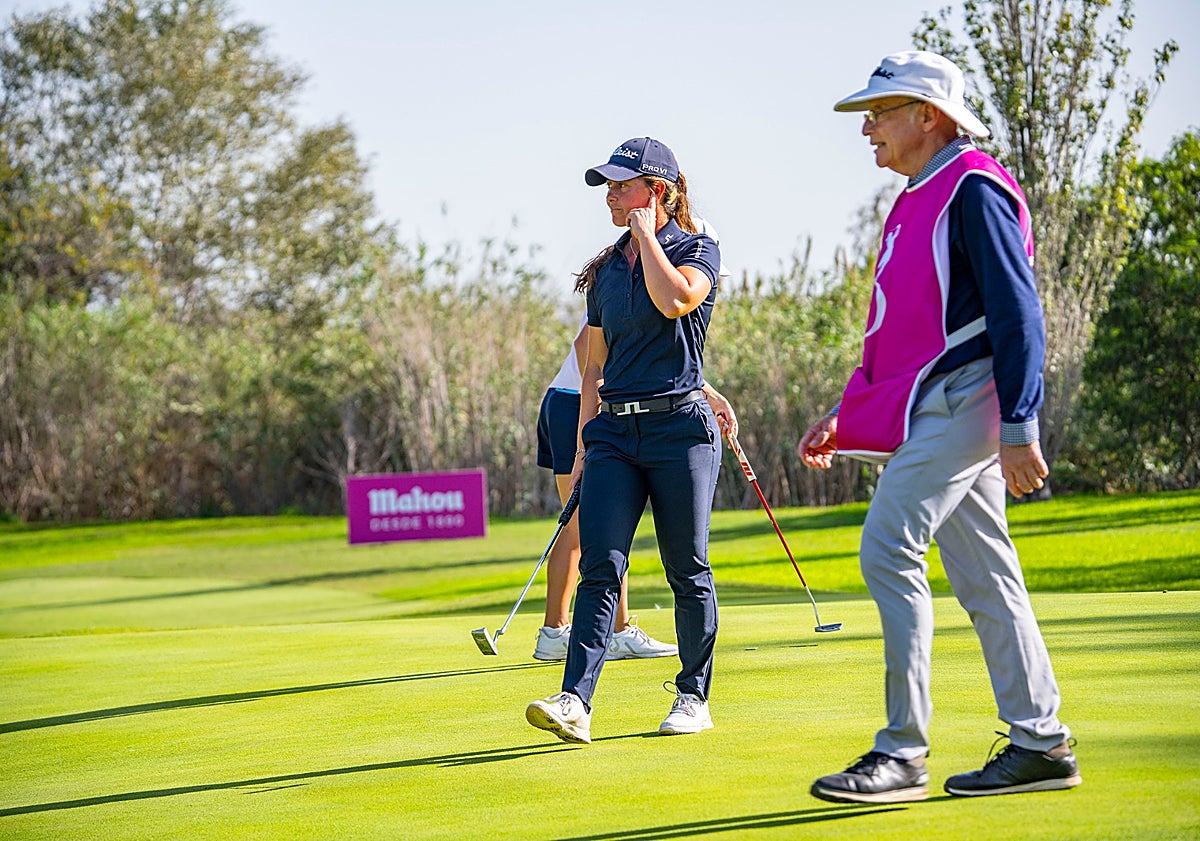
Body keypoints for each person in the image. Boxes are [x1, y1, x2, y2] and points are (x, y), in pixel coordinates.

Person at [798, 51, 1081, 803]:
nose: (868, 130)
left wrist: (1022, 419)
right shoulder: (921, 195)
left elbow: (1018, 312)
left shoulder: (972, 186)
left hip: (972, 400)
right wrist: (847, 411)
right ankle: (1041, 740)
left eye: (881, 113)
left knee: (887, 544)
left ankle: (902, 752)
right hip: (948, 398)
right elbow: (911, 331)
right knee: (988, 575)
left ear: (929, 115)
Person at [526, 136, 726, 744]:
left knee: (686, 568)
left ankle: (693, 696)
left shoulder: (696, 248)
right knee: (601, 566)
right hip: (614, 431)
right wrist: (587, 440)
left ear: (656, 191)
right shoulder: (606, 270)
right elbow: (593, 364)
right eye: (607, 187)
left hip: (680, 431)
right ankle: (574, 702)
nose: (610, 196)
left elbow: (676, 301)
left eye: (621, 185)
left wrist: (645, 238)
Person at [533, 223, 738, 664]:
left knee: (592, 531)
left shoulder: (652, 269)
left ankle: (574, 629)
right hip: (583, 404)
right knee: (590, 529)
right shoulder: (624, 272)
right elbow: (606, 360)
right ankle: (577, 629)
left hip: (580, 400)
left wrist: (701, 388)